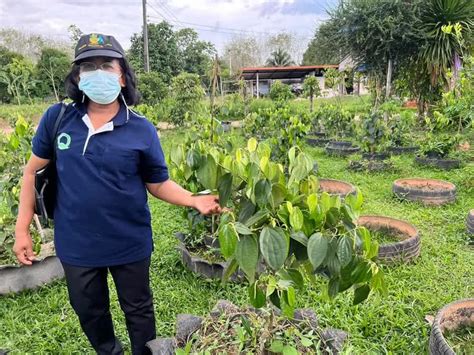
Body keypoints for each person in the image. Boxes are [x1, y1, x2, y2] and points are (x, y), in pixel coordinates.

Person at [13, 33, 221, 355]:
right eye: (88, 66)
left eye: (106, 65)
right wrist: (22, 229)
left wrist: (193, 198)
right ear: (77, 76)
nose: (98, 72)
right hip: (76, 245)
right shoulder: (58, 119)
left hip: (129, 242)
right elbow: (31, 172)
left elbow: (157, 183)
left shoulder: (141, 129)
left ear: (122, 75)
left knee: (138, 310)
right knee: (90, 312)